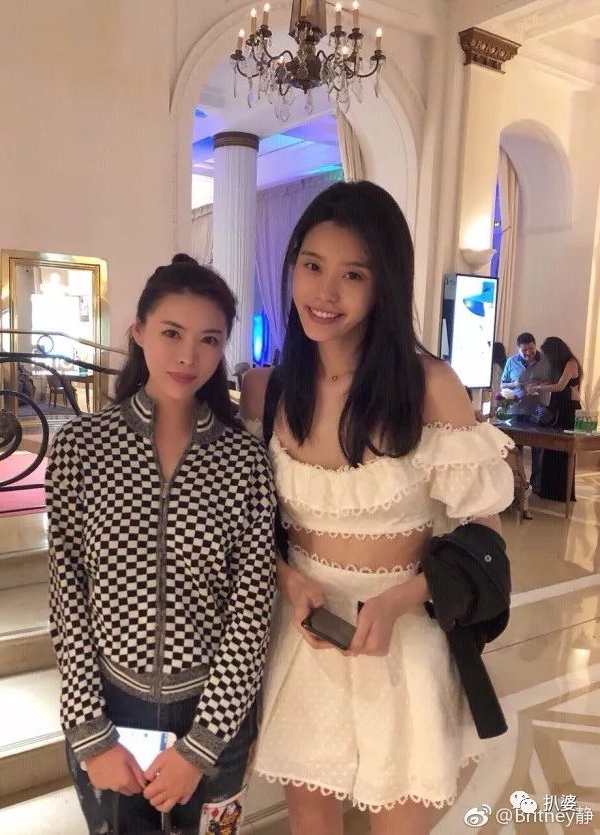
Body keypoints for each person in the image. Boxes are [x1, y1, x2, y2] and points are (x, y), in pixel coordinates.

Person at [240, 181, 515, 835]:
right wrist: (290, 581)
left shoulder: (428, 386)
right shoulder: (269, 388)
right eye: (312, 265)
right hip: (305, 639)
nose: (325, 292)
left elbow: (485, 532)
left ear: (383, 285)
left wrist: (398, 600)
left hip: (403, 641)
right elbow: (251, 529)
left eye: (353, 275)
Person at [46, 254, 277, 835]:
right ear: (138, 331)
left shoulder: (244, 462)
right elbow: (66, 596)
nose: (187, 356)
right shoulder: (82, 448)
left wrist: (200, 747)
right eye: (172, 333)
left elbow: (251, 610)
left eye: (208, 340)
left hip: (214, 720)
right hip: (110, 714)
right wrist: (90, 732)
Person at [528, 336, 583, 502]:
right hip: (558, 408)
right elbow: (553, 381)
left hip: (567, 411)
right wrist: (537, 385)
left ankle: (560, 492)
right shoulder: (560, 364)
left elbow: (559, 386)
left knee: (563, 450)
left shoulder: (571, 363)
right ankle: (548, 490)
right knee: (551, 448)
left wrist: (538, 387)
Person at [500, 332, 551, 492]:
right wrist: (515, 384)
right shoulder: (511, 361)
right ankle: (517, 483)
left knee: (539, 448)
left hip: (538, 410)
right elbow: (502, 384)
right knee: (515, 448)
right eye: (524, 350)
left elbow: (553, 381)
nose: (528, 353)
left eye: (531, 349)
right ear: (518, 349)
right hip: (516, 409)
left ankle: (537, 485)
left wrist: (539, 385)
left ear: (535, 345)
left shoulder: (546, 361)